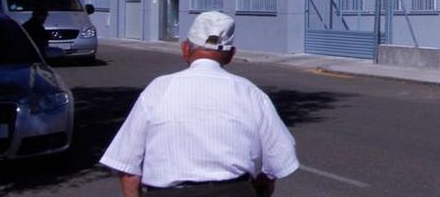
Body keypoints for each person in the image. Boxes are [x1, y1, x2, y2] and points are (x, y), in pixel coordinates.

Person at [100, 11, 299, 196]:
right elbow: (280, 155)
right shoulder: (250, 93)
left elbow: (126, 165)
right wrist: (261, 184)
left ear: (185, 48)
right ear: (231, 55)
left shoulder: (159, 89)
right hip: (235, 191)